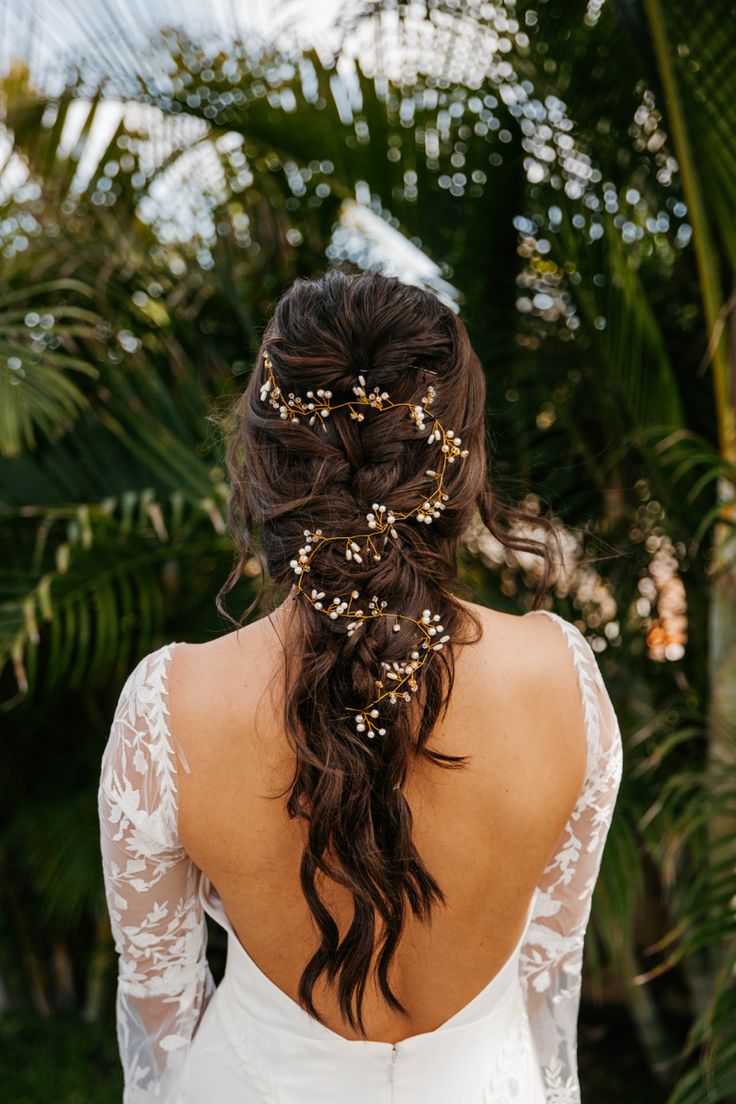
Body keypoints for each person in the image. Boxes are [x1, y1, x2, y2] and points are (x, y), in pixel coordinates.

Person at [98, 268, 622, 1103]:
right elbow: (547, 984)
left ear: (268, 461)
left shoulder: (170, 706)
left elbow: (161, 1024)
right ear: (455, 464)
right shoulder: (563, 680)